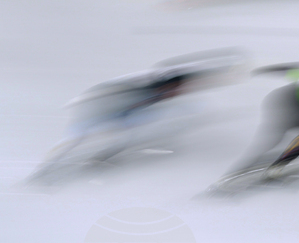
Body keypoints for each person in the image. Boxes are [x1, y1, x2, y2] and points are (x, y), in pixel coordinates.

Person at [29, 49, 245, 185]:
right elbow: (102, 99)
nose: (176, 93)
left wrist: (228, 65)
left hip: (125, 111)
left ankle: (101, 157)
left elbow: (194, 70)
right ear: (166, 85)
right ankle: (47, 169)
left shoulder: (169, 85)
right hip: (102, 107)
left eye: (177, 89)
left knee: (128, 135)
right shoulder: (141, 87)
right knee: (80, 137)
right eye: (173, 89)